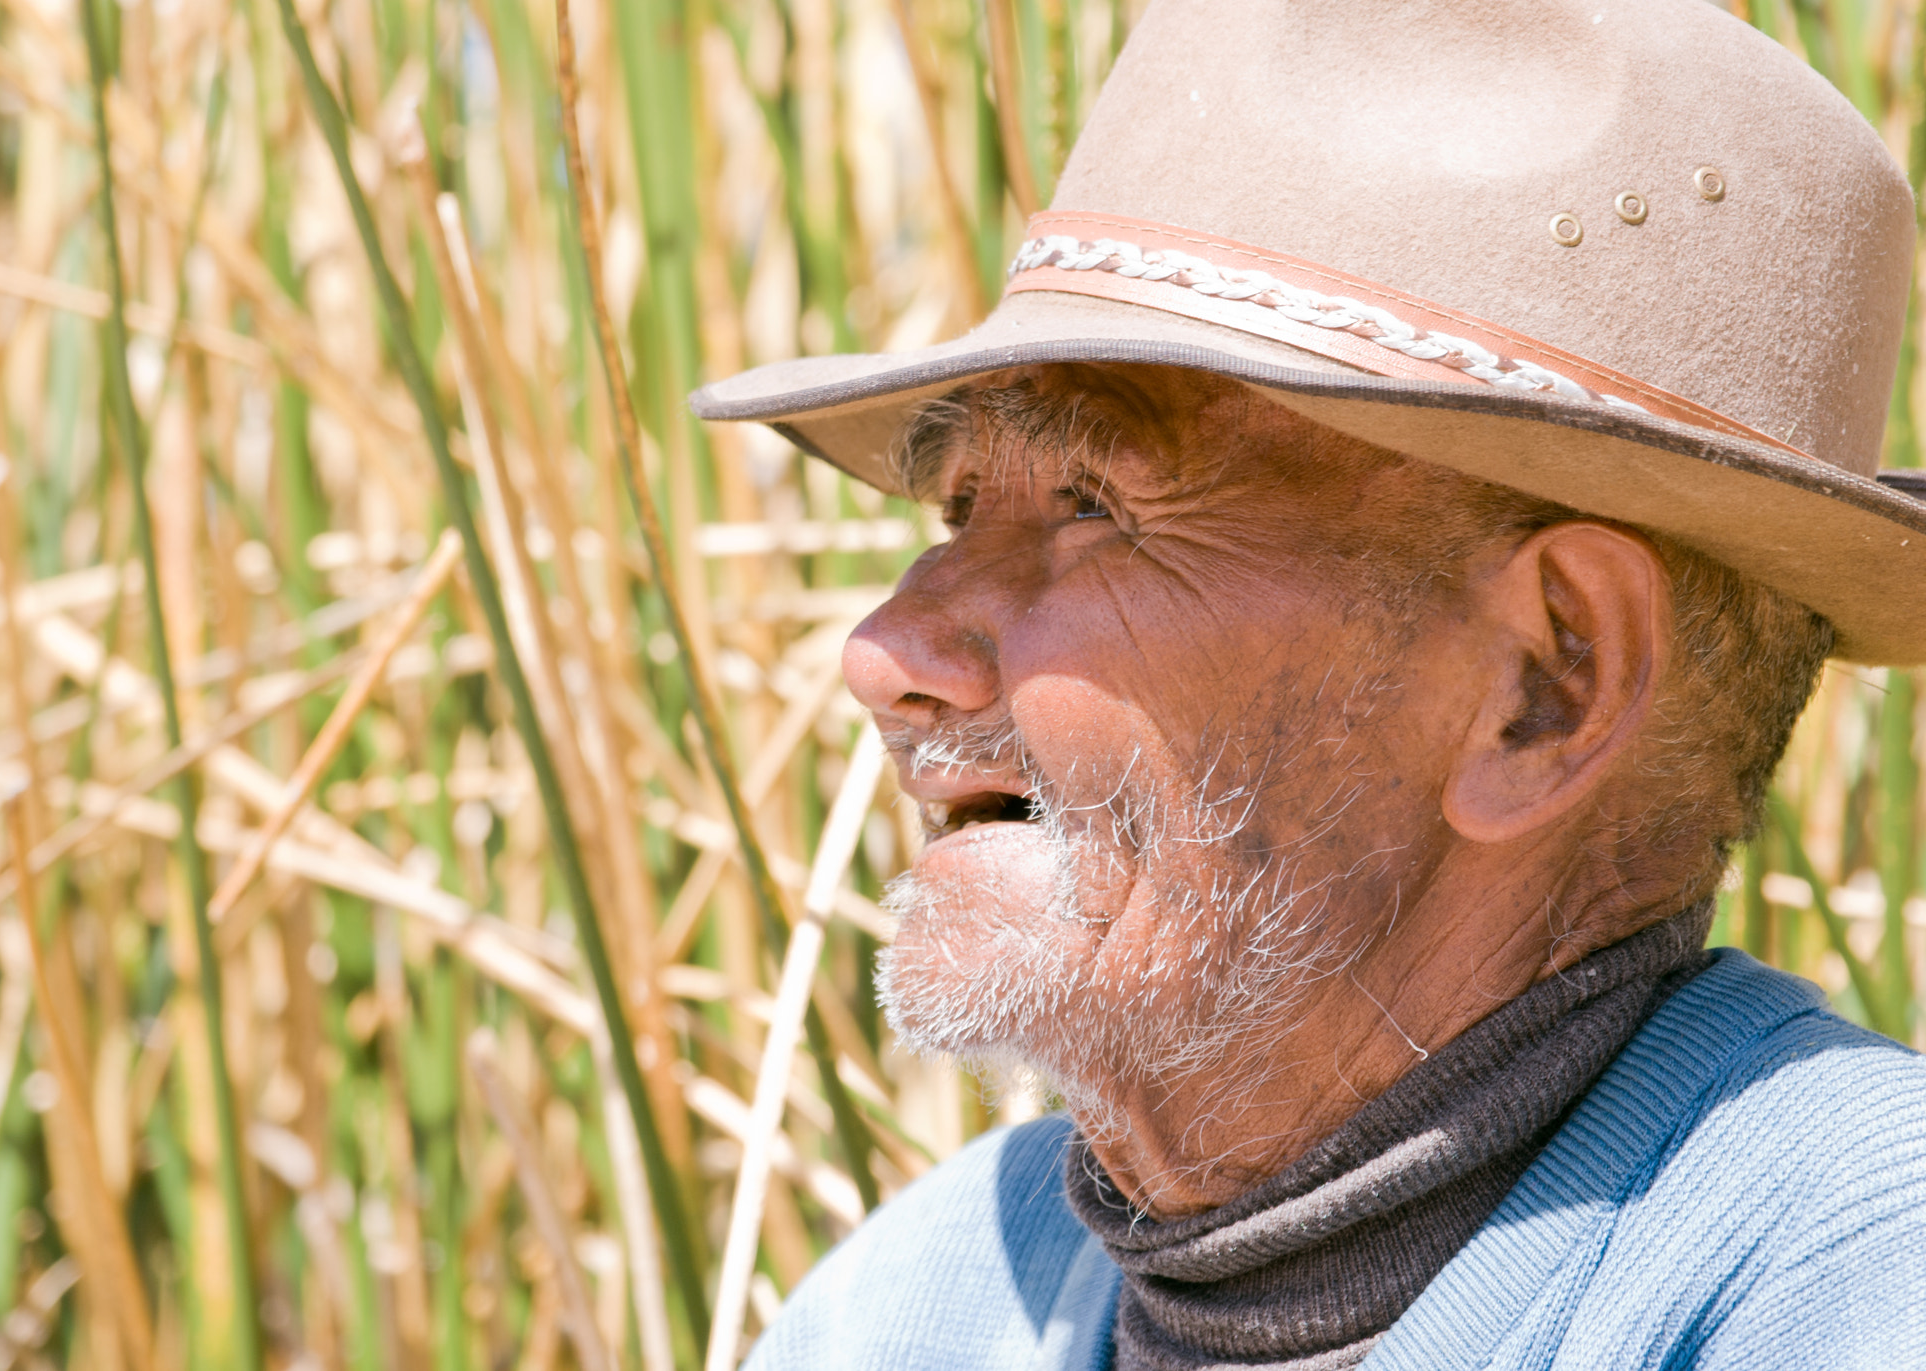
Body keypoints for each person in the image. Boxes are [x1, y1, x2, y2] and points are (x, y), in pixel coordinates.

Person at [690, 1, 1926, 1365]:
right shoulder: (923, 1304)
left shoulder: (1855, 1277)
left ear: (1546, 682)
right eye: (958, 506)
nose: (885, 656)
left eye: (1096, 505)